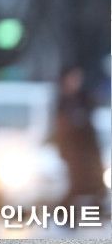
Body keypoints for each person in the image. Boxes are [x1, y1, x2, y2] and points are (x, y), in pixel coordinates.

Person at [54, 65, 106, 208]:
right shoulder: (62, 102)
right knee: (75, 187)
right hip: (73, 154)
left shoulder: (84, 99)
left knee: (96, 187)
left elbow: (90, 129)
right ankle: (64, 218)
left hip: (89, 152)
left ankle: (96, 214)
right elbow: (60, 130)